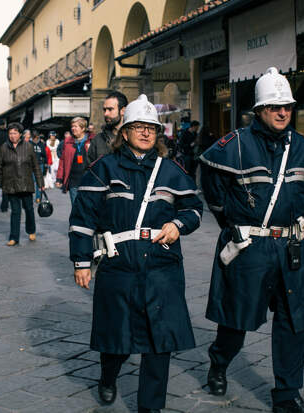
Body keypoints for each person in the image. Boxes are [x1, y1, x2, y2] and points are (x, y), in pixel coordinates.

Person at [200, 67, 304, 413]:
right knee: (236, 320)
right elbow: (213, 189)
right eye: (274, 106)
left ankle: (287, 396)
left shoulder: (302, 148)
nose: (282, 112)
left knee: (294, 323)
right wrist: (236, 223)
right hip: (250, 248)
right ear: (259, 110)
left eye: (286, 105)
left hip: (293, 248)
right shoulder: (234, 145)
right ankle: (219, 361)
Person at [69, 94, 203, 413]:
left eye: (151, 128)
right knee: (116, 337)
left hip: (162, 266)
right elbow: (83, 216)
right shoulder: (105, 167)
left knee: (160, 342)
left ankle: (150, 408)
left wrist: (179, 224)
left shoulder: (172, 171)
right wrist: (82, 262)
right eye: (138, 127)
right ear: (125, 132)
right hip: (119, 266)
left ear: (158, 134)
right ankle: (108, 377)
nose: (145, 133)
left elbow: (195, 209)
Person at [0, 122, 44, 246]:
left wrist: (40, 183)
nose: (12, 135)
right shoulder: (4, 147)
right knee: (15, 211)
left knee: (29, 209)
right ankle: (14, 237)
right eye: (10, 133)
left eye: (15, 133)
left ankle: (31, 230)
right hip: (11, 184)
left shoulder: (28, 146)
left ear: (20, 134)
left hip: (26, 183)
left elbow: (35, 166)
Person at [56, 117, 92, 204]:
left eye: (75, 126)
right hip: (73, 180)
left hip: (88, 180)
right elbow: (62, 161)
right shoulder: (68, 142)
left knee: (87, 207)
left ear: (83, 128)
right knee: (75, 207)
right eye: (72, 126)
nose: (73, 129)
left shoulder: (91, 141)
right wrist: (59, 178)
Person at [87, 91, 128, 164]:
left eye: (110, 109)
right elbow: (89, 169)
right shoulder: (97, 140)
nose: (106, 114)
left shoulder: (132, 138)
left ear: (123, 111)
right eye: (104, 110)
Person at [31, 131, 48, 203]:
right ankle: (30, 196)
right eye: (34, 137)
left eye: (36, 137)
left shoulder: (41, 144)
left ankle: (38, 197)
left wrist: (45, 164)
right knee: (31, 181)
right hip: (31, 165)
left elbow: (44, 155)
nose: (35, 139)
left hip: (39, 164)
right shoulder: (29, 144)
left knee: (38, 182)